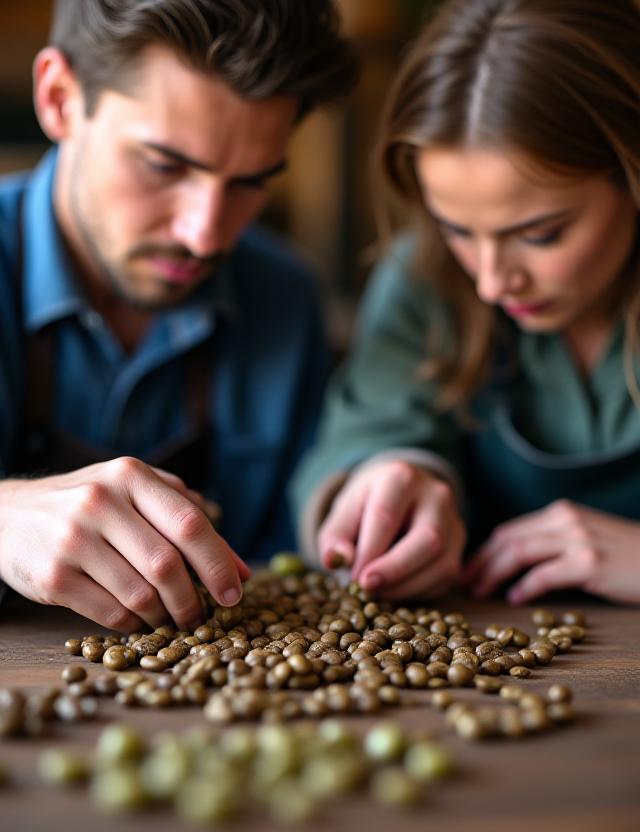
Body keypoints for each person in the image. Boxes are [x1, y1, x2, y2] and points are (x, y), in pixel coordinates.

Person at [0, 0, 357, 632]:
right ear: (59, 99)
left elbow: (300, 556)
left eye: (250, 182)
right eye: (165, 165)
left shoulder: (284, 296)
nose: (204, 235)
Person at [293, 0, 640, 606]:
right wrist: (387, 477)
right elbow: (366, 430)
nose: (491, 282)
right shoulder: (422, 274)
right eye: (457, 228)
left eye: (540, 234)